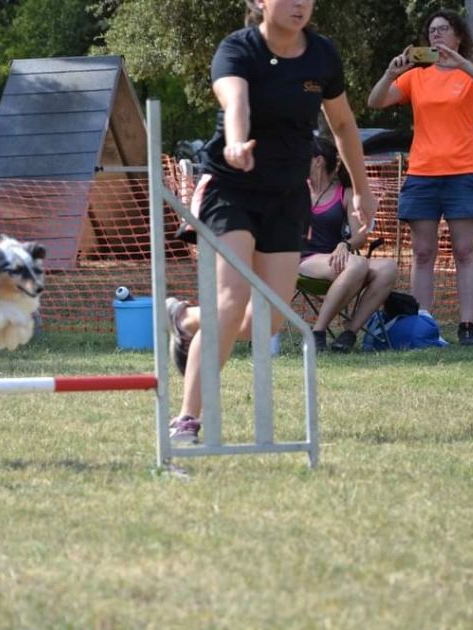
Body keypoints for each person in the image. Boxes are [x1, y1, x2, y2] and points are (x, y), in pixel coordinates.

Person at [165, 0, 378, 444]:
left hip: (285, 196)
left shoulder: (322, 55)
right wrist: (238, 143)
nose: (300, 4)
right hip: (231, 188)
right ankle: (188, 418)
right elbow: (235, 100)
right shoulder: (237, 49)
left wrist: (361, 187)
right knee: (230, 300)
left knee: (268, 322)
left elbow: (342, 124)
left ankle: (187, 321)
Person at [367, 9, 473, 346]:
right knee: (423, 252)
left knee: (464, 251)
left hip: (462, 173)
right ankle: (423, 321)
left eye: (444, 30)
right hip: (422, 174)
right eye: (432, 31)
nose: (437, 36)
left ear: (458, 36)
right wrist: (390, 73)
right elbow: (375, 101)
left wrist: (463, 64)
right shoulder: (417, 77)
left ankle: (467, 324)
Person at [299, 136, 396, 353]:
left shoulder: (345, 193)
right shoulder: (296, 188)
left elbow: (360, 236)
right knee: (357, 264)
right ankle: (317, 333)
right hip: (303, 259)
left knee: (388, 267)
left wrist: (345, 244)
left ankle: (349, 334)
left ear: (318, 161)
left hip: (338, 260)